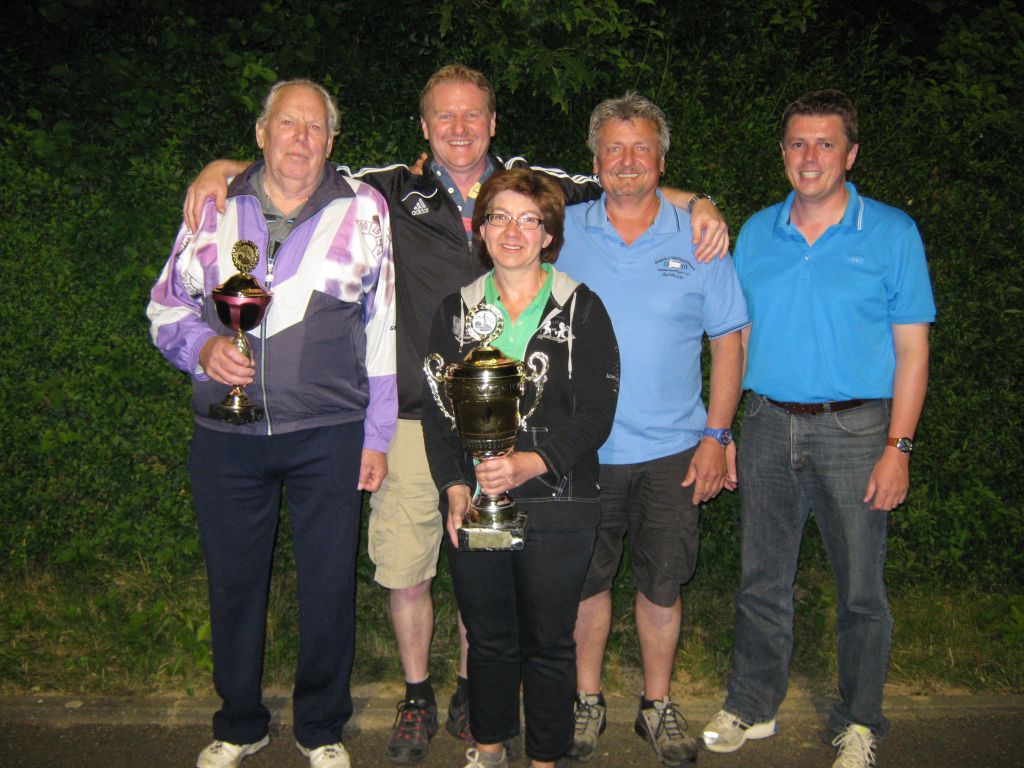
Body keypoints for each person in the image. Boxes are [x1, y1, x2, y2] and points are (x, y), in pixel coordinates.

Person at [183, 64, 730, 765]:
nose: (460, 128)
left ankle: (481, 694)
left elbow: (627, 180)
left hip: (521, 436)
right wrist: (220, 167)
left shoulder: (537, 187)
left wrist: (701, 201)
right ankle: (417, 696)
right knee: (408, 568)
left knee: (491, 580)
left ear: (494, 123)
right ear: (424, 126)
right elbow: (297, 160)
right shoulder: (385, 188)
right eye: (445, 116)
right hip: (420, 423)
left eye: (474, 115)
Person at [148, 79, 396, 768]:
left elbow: (384, 330)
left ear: (331, 141)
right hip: (226, 436)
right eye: (288, 123)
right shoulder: (213, 206)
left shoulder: (364, 209)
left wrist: (376, 436)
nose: (301, 138)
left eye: (315, 127)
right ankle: (239, 721)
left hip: (329, 430)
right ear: (261, 133)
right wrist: (200, 347)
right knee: (233, 584)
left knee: (327, 587)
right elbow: (165, 306)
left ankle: (321, 728)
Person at [700, 90, 935, 768]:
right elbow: (732, 338)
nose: (810, 156)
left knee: (861, 589)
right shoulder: (754, 233)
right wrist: (722, 430)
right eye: (798, 143)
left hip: (859, 431)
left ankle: (859, 720)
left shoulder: (890, 233)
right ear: (782, 154)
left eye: (825, 143)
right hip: (769, 423)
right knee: (760, 581)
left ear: (851, 154)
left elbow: (914, 351)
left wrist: (899, 447)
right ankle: (754, 703)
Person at [554, 93, 749, 768]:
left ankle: (656, 704)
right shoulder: (562, 228)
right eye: (613, 147)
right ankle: (586, 700)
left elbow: (729, 342)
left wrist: (718, 436)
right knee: (587, 584)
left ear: (662, 159)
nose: (626, 161)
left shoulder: (700, 237)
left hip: (674, 450)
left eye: (641, 148)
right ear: (594, 159)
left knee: (662, 585)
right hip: (584, 450)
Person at [421, 167, 620, 768]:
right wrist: (455, 486)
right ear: (481, 231)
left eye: (529, 219)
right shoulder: (455, 312)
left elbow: (597, 412)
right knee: (488, 639)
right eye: (499, 217)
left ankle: (545, 757)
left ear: (548, 235)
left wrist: (531, 462)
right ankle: (488, 746)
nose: (513, 231)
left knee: (549, 643)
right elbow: (437, 414)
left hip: (559, 497)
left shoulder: (581, 307)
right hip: (477, 496)